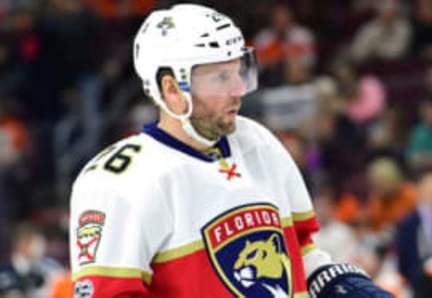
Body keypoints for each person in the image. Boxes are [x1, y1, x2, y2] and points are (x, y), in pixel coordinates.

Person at [69, 4, 393, 298]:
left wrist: (340, 284)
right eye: (220, 77)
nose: (238, 89)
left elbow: (299, 252)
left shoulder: (259, 143)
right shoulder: (119, 182)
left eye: (239, 71)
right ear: (171, 88)